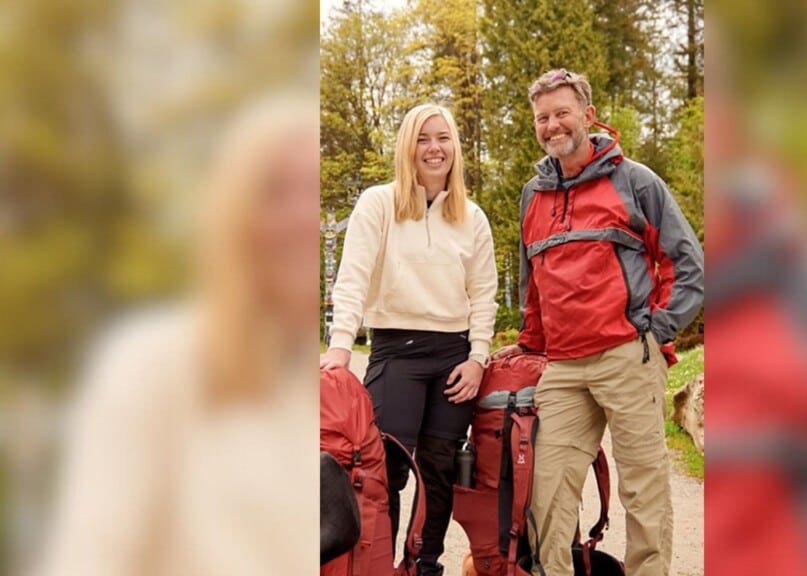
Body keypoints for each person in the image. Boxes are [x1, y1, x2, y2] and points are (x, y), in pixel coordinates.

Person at [38, 95, 321, 576]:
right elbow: (89, 555)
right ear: (233, 216)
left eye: (314, 190)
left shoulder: (323, 390)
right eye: (274, 191)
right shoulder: (152, 366)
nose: (302, 217)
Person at [493, 70, 704, 576]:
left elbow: (686, 262)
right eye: (542, 117)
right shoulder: (533, 195)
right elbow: (534, 285)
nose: (552, 125)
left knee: (642, 488)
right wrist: (529, 345)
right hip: (563, 369)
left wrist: (655, 332)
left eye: (562, 112)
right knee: (546, 492)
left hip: (626, 357)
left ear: (587, 115)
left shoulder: (635, 181)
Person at [320, 103, 499, 576]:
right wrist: (340, 346)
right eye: (423, 138)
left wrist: (478, 357)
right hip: (396, 351)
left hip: (453, 356)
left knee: (439, 472)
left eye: (443, 138)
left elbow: (484, 295)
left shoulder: (472, 218)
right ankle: (378, 564)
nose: (434, 148)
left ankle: (425, 565)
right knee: (387, 471)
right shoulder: (378, 204)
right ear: (407, 147)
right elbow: (353, 276)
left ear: (455, 148)